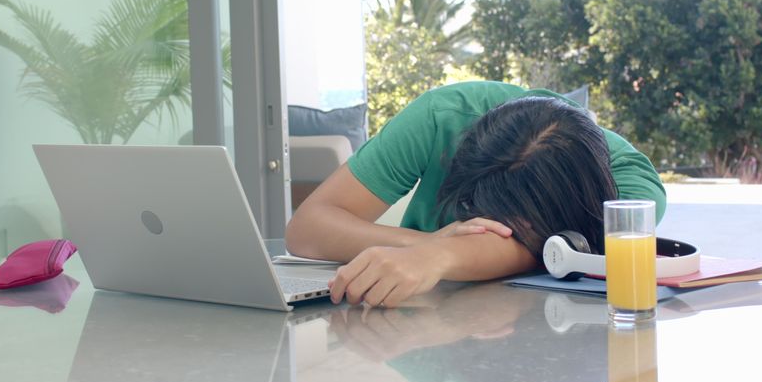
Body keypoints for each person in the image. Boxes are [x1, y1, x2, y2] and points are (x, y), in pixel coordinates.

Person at [285, 80, 666, 308]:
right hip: (421, 306)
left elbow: (564, 251)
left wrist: (443, 255)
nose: (495, 233)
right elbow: (307, 230)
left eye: (518, 229)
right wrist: (425, 245)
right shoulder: (440, 119)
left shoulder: (629, 189)